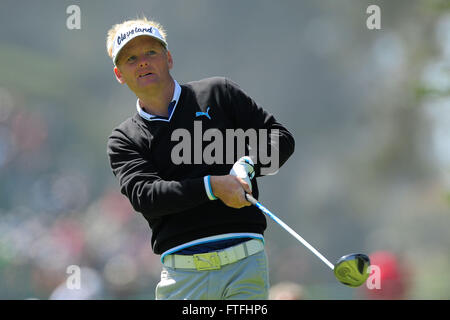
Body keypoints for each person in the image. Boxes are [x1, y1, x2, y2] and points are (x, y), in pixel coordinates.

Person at [105, 17, 295, 300]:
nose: (143, 62)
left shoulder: (219, 94)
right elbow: (146, 197)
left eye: (151, 53)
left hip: (244, 264)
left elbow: (280, 139)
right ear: (119, 74)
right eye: (131, 58)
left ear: (168, 59)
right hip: (183, 275)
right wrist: (213, 186)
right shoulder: (125, 139)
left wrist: (248, 165)